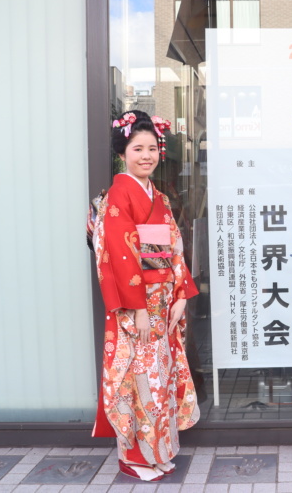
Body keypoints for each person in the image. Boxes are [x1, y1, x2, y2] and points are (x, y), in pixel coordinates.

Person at [91, 110, 200, 481]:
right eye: (138, 148)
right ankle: (134, 457)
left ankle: (158, 452)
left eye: (152, 148)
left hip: (163, 301)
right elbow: (120, 257)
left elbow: (174, 247)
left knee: (159, 377)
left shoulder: (158, 196)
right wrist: (136, 308)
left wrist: (181, 291)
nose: (146, 156)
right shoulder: (120, 193)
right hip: (136, 306)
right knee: (138, 379)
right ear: (124, 152)